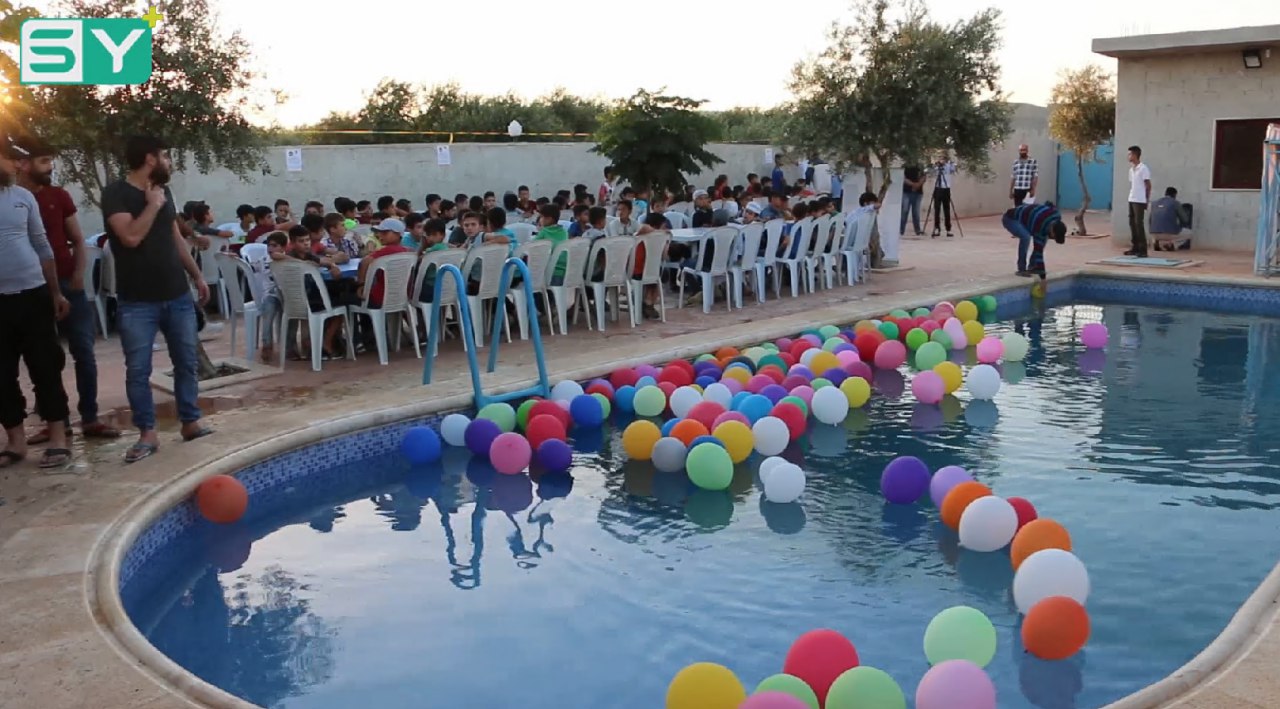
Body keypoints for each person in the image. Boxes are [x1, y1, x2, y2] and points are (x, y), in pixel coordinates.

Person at [100, 135, 212, 463]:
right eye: (165, 155)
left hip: (176, 293)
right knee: (138, 369)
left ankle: (190, 422)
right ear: (150, 158)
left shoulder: (165, 193)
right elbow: (130, 237)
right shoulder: (116, 193)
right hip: (138, 301)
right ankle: (147, 433)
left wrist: (196, 275)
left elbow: (174, 236)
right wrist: (151, 205)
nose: (169, 161)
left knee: (186, 362)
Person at [11, 135, 121, 443]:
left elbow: (78, 239)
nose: (50, 167)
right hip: (32, 291)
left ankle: (90, 418)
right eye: (44, 161)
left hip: (68, 286)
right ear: (24, 164)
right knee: (43, 359)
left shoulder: (58, 196)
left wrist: (78, 274)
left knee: (84, 351)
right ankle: (55, 421)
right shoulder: (12, 198)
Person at [0, 133, 74, 469]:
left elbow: (42, 246)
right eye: (10, 158)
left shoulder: (23, 198)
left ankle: (57, 437)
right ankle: (15, 442)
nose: (17, 164)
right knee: (1, 375)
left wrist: (56, 292)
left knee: (46, 368)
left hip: (33, 295)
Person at [1002, 201, 1067, 278]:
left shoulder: (1057, 216)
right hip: (1011, 219)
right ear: (1052, 229)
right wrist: (1043, 277)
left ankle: (1033, 267)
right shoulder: (1039, 225)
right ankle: (1021, 269)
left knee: (1044, 238)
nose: (1052, 238)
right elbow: (1038, 251)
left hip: (1028, 218)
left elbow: (1049, 204)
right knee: (1026, 237)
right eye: (1053, 237)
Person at [1126, 145, 1152, 257]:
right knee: (1132, 223)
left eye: (1130, 154)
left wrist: (1146, 200)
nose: (1128, 156)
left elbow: (1148, 185)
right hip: (1132, 198)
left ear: (1135, 155)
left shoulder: (1143, 168)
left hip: (1140, 200)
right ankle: (1135, 247)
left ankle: (1143, 250)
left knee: (1138, 224)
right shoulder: (1131, 170)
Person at [1150, 187, 1192, 251]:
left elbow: (1150, 219)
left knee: (1159, 228)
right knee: (1189, 233)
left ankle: (1155, 242)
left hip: (1153, 233)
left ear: (1165, 193)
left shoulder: (1154, 203)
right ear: (1174, 195)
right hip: (1168, 234)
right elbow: (1185, 219)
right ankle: (1170, 244)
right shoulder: (1175, 203)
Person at [928, 157, 957, 238]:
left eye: (943, 159)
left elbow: (954, 169)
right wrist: (934, 165)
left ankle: (948, 229)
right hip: (937, 189)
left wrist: (951, 163)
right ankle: (937, 228)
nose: (942, 160)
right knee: (937, 209)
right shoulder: (936, 166)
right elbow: (931, 172)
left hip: (946, 189)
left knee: (946, 209)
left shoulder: (949, 166)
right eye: (940, 159)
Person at [900, 163, 925, 237]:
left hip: (918, 193)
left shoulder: (920, 166)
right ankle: (901, 229)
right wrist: (913, 184)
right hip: (906, 192)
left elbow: (924, 177)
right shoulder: (904, 166)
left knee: (916, 212)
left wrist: (918, 184)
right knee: (904, 210)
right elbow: (903, 178)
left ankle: (917, 230)